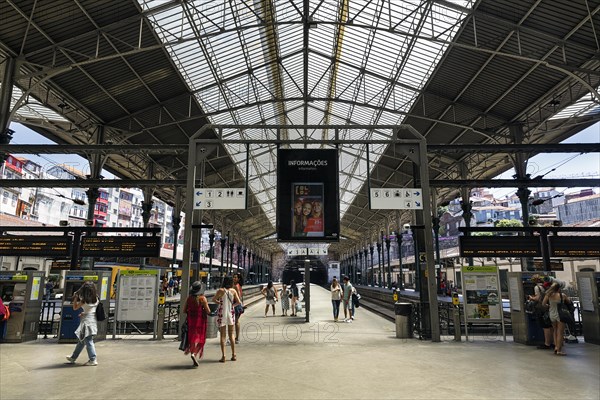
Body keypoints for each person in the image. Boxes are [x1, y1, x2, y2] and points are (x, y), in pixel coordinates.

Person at [66, 281, 99, 366]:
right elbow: (92, 310)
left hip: (86, 321)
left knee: (88, 340)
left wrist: (76, 298)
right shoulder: (96, 298)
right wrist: (84, 313)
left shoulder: (84, 300)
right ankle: (73, 357)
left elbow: (75, 308)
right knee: (81, 340)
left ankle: (93, 359)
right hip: (92, 319)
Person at [212, 276, 241, 362]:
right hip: (230, 313)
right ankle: (234, 355)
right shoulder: (233, 291)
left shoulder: (221, 291)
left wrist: (219, 302)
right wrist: (232, 305)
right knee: (231, 334)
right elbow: (239, 302)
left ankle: (223, 356)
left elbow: (214, 299)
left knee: (223, 335)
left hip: (222, 313)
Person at [182, 281, 210, 367]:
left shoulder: (189, 298)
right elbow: (208, 311)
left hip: (191, 321)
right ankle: (194, 353)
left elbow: (184, 310)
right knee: (201, 340)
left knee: (192, 339)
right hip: (200, 321)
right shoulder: (202, 298)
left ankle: (192, 351)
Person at [543, 282, 572, 356]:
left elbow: (543, 304)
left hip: (552, 314)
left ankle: (556, 347)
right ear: (559, 288)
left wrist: (549, 306)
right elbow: (569, 303)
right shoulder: (562, 295)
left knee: (555, 331)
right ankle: (559, 350)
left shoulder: (548, 295)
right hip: (560, 315)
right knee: (560, 332)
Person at [528, 276, 554, 350]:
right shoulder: (548, 286)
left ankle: (547, 344)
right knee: (551, 326)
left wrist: (531, 298)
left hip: (542, 309)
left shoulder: (537, 287)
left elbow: (538, 298)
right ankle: (554, 343)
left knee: (545, 327)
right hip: (550, 307)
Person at [233, 273, 244, 344]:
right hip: (238, 305)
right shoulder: (239, 285)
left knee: (236, 322)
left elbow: (239, 297)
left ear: (238, 279)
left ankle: (237, 338)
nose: (234, 278)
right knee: (236, 321)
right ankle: (236, 337)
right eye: (233, 277)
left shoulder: (236, 286)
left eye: (235, 277)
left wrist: (234, 304)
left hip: (236, 306)